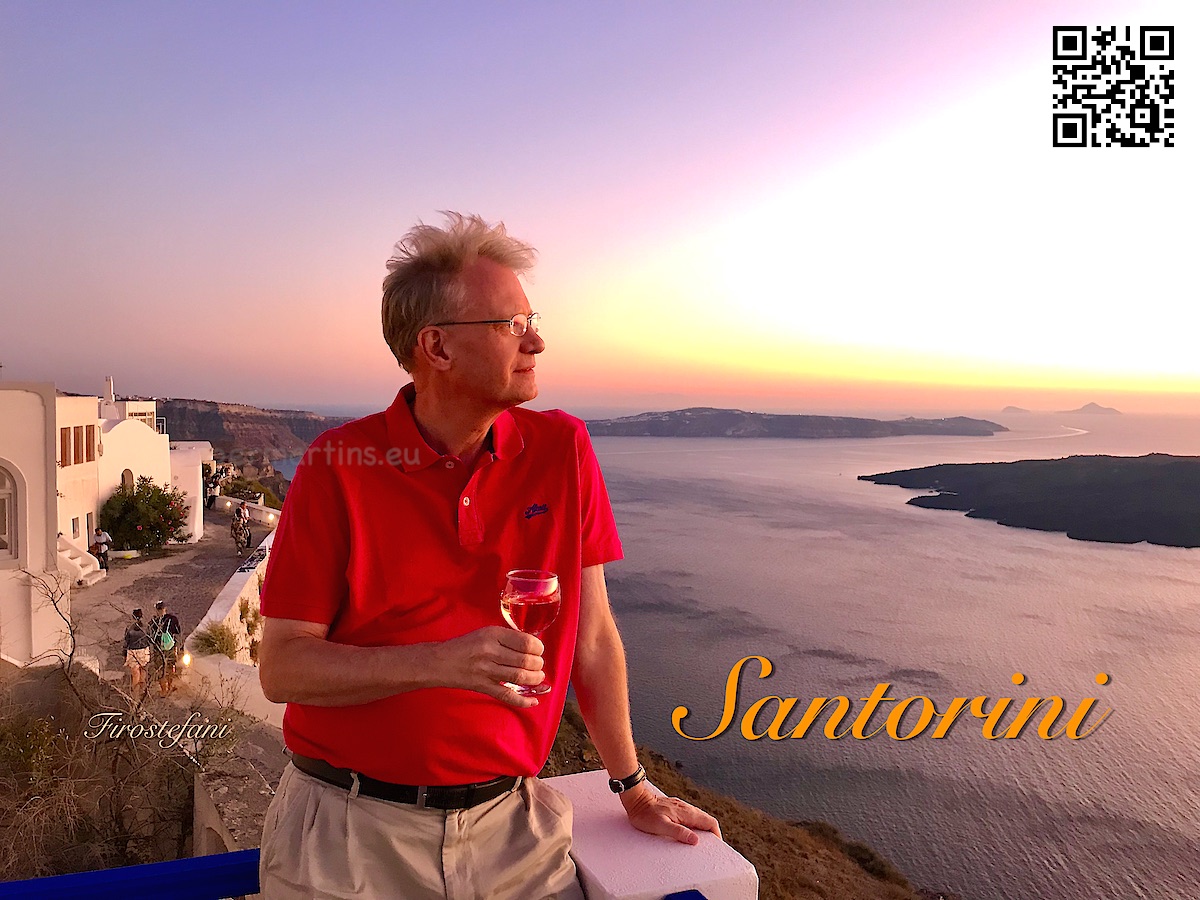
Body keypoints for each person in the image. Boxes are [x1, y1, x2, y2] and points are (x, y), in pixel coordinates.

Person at [257, 213, 719, 899]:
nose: (537, 339)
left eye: (532, 318)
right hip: (350, 840)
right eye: (510, 324)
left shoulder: (562, 451)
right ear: (436, 348)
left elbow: (591, 636)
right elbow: (283, 666)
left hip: (513, 833)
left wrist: (632, 784)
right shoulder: (337, 465)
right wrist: (440, 662)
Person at [149, 600, 182, 696]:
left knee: (160, 669)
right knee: (171, 666)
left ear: (156, 610)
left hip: (158, 649)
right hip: (170, 647)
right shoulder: (172, 619)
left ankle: (163, 690)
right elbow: (177, 631)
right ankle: (170, 686)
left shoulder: (153, 621)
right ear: (165, 609)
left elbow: (150, 635)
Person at [122, 608, 152, 697]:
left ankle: (136, 694)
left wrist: (124, 653)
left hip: (132, 651)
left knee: (135, 673)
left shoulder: (129, 627)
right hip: (144, 650)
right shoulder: (146, 626)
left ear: (133, 616)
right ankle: (142, 689)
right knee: (143, 670)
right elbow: (150, 639)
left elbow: (126, 641)